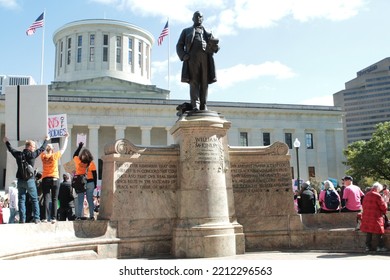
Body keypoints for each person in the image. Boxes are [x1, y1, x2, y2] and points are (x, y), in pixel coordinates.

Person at [176, 11, 219, 111]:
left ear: (203, 19)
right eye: (196, 16)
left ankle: (203, 105)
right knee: (194, 81)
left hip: (205, 58)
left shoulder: (208, 32)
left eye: (200, 17)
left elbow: (215, 46)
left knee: (205, 82)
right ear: (193, 18)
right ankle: (195, 105)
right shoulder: (186, 31)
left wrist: (215, 47)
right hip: (192, 58)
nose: (198, 18)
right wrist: (183, 55)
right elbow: (179, 45)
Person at [3, 135, 50, 224]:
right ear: (30, 147)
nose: (34, 148)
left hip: (20, 180)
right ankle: (36, 218)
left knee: (21, 200)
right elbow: (42, 149)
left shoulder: (18, 154)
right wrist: (46, 140)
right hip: (30, 180)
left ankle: (22, 219)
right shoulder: (32, 155)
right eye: (33, 147)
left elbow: (11, 149)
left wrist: (6, 142)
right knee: (34, 199)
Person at [40, 133, 69, 223]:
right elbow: (63, 148)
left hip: (45, 178)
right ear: (52, 150)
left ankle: (44, 218)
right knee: (55, 199)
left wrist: (46, 140)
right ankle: (53, 218)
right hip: (54, 178)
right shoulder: (55, 156)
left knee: (46, 198)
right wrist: (66, 138)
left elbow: (40, 148)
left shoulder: (43, 156)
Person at [360, 182, 388, 252]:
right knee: (379, 231)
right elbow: (383, 207)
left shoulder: (367, 194)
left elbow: (363, 205)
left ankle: (367, 247)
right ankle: (380, 247)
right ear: (378, 188)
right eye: (380, 190)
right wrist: (385, 202)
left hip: (367, 216)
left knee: (368, 231)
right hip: (375, 216)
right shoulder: (377, 195)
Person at [73, 142, 97, 220]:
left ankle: (79, 216)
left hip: (81, 182)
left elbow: (75, 155)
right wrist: (95, 185)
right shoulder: (92, 164)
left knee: (80, 200)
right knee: (90, 200)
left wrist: (80, 147)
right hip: (90, 182)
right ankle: (92, 216)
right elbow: (95, 175)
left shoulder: (78, 161)